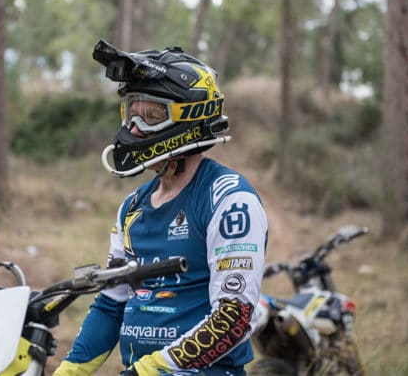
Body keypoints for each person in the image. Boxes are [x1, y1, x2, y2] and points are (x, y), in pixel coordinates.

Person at [53, 39, 267, 376]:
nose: (135, 128)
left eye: (152, 115)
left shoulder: (228, 199)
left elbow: (234, 317)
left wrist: (150, 370)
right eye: (131, 112)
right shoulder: (132, 206)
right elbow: (113, 303)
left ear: (191, 116)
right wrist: (69, 372)